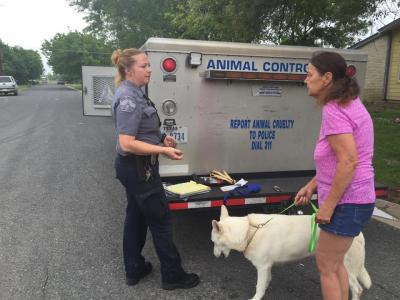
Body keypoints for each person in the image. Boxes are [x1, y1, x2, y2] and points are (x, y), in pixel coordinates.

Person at [111, 48, 200, 290]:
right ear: (128, 70)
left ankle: (134, 269)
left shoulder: (136, 94)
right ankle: (173, 275)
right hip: (139, 169)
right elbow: (127, 143)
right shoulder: (129, 99)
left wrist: (161, 139)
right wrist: (162, 151)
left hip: (135, 168)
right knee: (160, 220)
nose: (149, 69)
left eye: (149, 65)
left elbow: (142, 130)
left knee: (136, 218)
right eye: (143, 66)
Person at [294, 51, 375, 300]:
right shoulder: (347, 103)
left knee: (326, 266)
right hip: (355, 200)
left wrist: (327, 207)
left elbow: (349, 161)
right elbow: (337, 159)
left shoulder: (335, 110)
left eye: (309, 75)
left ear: (327, 78)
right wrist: (313, 185)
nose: (305, 80)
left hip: (347, 202)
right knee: (336, 264)